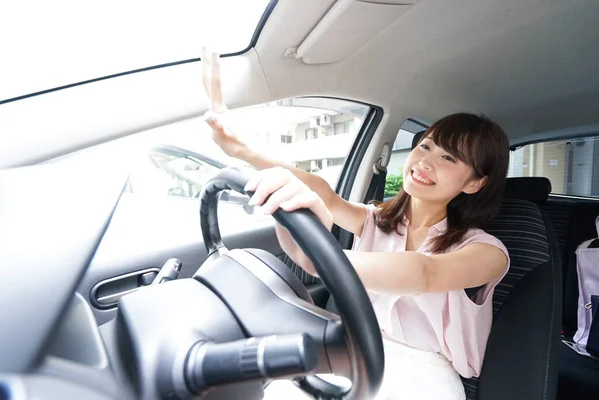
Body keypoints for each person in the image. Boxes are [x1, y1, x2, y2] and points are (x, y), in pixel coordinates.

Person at [200, 49, 510, 400]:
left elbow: (425, 273)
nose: (425, 162)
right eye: (424, 146)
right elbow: (325, 195)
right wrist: (240, 148)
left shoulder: (486, 251)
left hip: (425, 372)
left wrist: (322, 259)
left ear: (474, 183)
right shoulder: (377, 220)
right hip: (355, 348)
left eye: (448, 158)